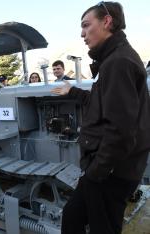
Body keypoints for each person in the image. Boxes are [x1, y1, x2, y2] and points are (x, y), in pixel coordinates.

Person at [51, 2, 150, 234]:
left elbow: (121, 131)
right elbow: (102, 105)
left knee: (100, 227)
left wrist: (96, 172)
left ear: (107, 22)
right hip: (110, 168)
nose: (82, 33)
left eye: (86, 25)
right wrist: (73, 92)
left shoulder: (118, 62)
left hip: (110, 172)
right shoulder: (114, 60)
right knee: (73, 217)